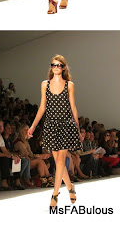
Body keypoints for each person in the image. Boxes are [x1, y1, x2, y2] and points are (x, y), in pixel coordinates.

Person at [28, 55, 81, 208]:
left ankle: (55, 194)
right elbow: (42, 107)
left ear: (63, 68)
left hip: (66, 125)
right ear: (51, 67)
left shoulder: (69, 85)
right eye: (53, 65)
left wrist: (77, 128)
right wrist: (33, 126)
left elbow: (73, 107)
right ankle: (70, 187)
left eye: (59, 65)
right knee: (58, 162)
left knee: (60, 161)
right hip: (50, 125)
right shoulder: (45, 84)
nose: (56, 67)